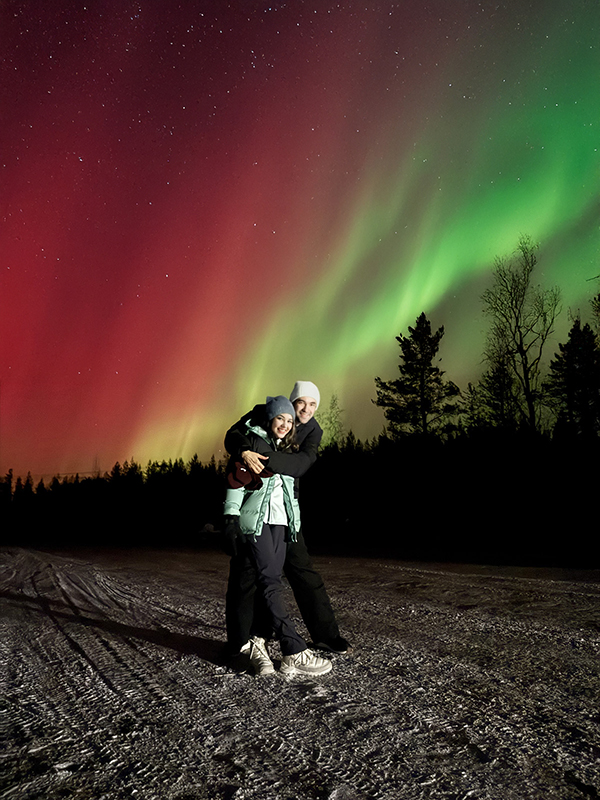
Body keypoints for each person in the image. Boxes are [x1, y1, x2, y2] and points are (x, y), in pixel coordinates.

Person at [223, 381, 350, 659]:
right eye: (301, 403)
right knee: (248, 574)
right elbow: (232, 435)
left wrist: (261, 458)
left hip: (287, 510)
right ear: (289, 404)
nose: (306, 410)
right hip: (256, 508)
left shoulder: (313, 430)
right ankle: (245, 640)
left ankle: (326, 635)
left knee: (302, 571)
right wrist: (244, 451)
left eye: (313, 404)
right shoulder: (264, 412)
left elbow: (301, 464)